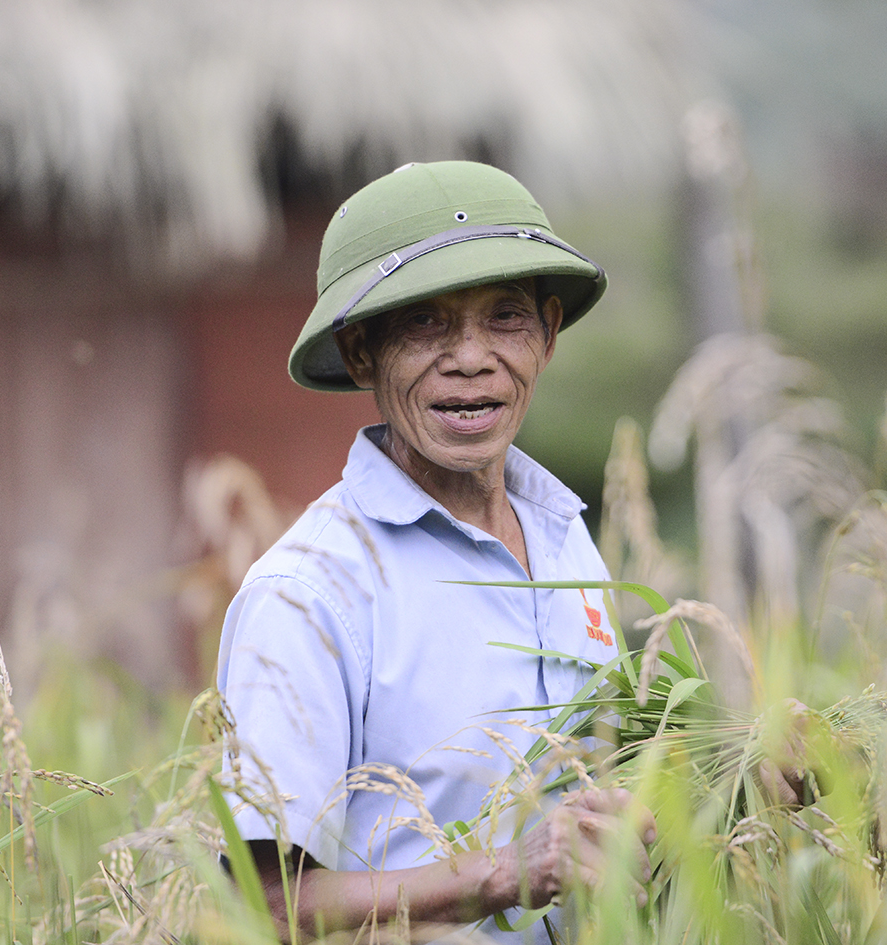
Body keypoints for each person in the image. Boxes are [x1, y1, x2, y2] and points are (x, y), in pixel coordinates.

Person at [216, 161, 655, 941]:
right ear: (360, 354)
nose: (470, 357)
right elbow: (271, 904)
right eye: (423, 323)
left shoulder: (563, 534)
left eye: (505, 317)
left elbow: (601, 783)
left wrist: (738, 772)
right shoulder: (307, 594)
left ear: (548, 333)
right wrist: (501, 872)